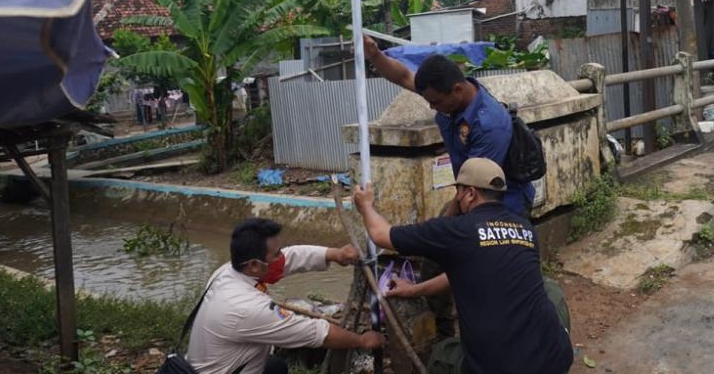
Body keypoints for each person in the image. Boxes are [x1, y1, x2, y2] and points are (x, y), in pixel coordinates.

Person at [353, 157, 573, 374]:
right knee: (550, 289)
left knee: (442, 354)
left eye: (458, 192)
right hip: (555, 359)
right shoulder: (526, 229)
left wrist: (365, 206)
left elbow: (381, 235)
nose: (456, 198)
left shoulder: (457, 231)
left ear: (470, 193)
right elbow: (465, 272)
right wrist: (414, 289)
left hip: (502, 368)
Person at [186, 218, 384, 374]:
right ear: (254, 265)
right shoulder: (246, 308)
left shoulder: (227, 272)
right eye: (276, 254)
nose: (282, 257)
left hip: (207, 365)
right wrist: (362, 341)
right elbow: (315, 332)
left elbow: (291, 257)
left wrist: (334, 254)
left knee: (275, 366)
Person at [363, 36, 534, 217]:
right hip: (470, 196)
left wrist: (442, 225)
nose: (432, 107)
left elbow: (474, 185)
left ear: (458, 90)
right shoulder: (446, 95)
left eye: (435, 102)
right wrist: (375, 55)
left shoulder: (489, 125)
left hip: (504, 205)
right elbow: (404, 76)